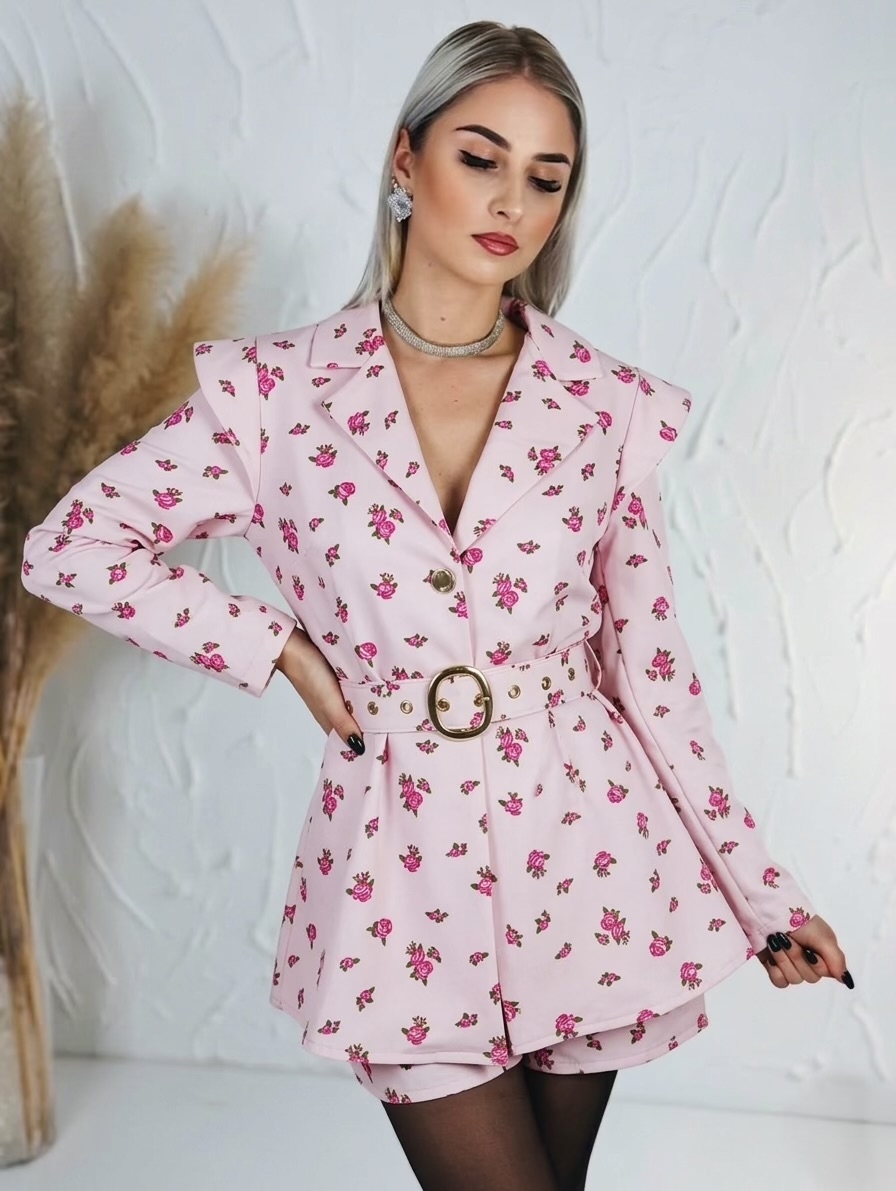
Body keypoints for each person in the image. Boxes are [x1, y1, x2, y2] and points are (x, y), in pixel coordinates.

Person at [21, 20, 851, 1191]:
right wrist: (280, 649)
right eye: (479, 157)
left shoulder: (602, 406)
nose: (511, 200)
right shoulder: (273, 397)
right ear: (405, 160)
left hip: (590, 862)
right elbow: (72, 547)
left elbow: (652, 675)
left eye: (545, 177)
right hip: (401, 876)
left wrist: (764, 892)